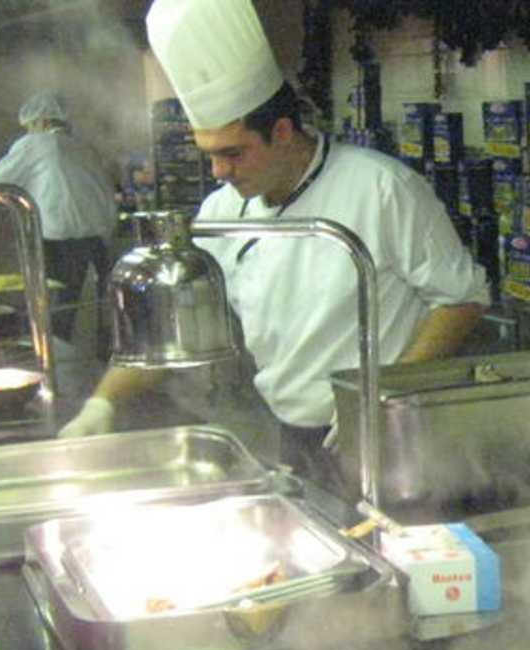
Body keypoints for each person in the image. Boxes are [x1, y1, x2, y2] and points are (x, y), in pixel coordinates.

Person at [58, 0, 489, 495]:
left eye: (232, 153)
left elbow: (462, 299)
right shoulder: (222, 211)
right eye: (209, 155)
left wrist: (380, 395)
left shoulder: (382, 189)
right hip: (294, 433)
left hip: (393, 433)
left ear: (282, 132)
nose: (219, 171)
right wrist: (102, 404)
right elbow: (175, 328)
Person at [0, 91, 117, 344]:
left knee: (59, 319)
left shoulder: (37, 145)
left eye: (29, 126)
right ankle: (91, 364)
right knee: (94, 318)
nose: (28, 131)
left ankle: (59, 364)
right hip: (98, 246)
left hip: (61, 247)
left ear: (42, 121)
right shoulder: (81, 148)